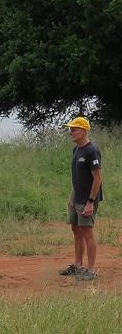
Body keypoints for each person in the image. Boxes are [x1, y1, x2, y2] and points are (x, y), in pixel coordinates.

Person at [59, 116, 103, 281]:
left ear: (84, 131)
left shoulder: (92, 150)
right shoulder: (76, 150)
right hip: (77, 198)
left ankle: (91, 270)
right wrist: (72, 195)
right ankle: (77, 265)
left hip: (87, 200)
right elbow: (77, 176)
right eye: (70, 129)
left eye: (74, 129)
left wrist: (91, 202)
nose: (71, 132)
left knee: (87, 233)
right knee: (76, 230)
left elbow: (98, 178)